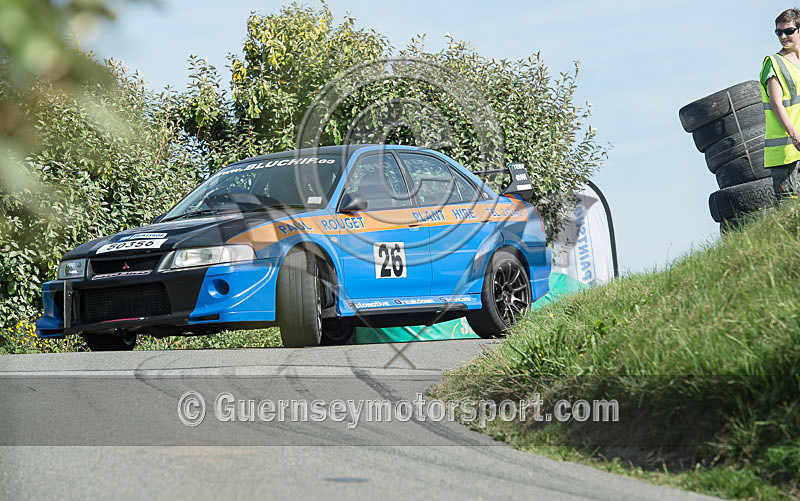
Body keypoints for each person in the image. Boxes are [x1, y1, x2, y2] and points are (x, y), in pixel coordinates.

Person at [761, 8, 800, 200]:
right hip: (786, 152)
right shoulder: (774, 63)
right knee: (788, 212)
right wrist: (795, 136)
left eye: (789, 31)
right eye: (779, 32)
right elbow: (776, 104)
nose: (783, 36)